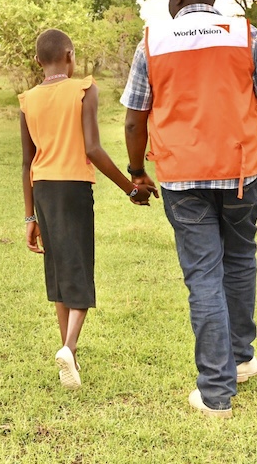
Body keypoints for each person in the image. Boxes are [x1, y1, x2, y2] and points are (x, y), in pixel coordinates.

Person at [121, 0, 257, 417]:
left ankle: (215, 393)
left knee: (203, 277)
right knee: (240, 264)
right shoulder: (245, 34)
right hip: (241, 172)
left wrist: (136, 171)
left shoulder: (154, 40)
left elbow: (133, 118)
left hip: (182, 180)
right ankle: (241, 361)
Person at [20, 28, 158, 390]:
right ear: (70, 55)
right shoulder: (84, 88)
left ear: (38, 61)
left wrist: (29, 216)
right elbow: (93, 148)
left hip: (43, 191)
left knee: (59, 273)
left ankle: (72, 359)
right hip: (74, 187)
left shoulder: (27, 99)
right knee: (79, 266)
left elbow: (26, 162)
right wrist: (131, 188)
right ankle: (69, 346)